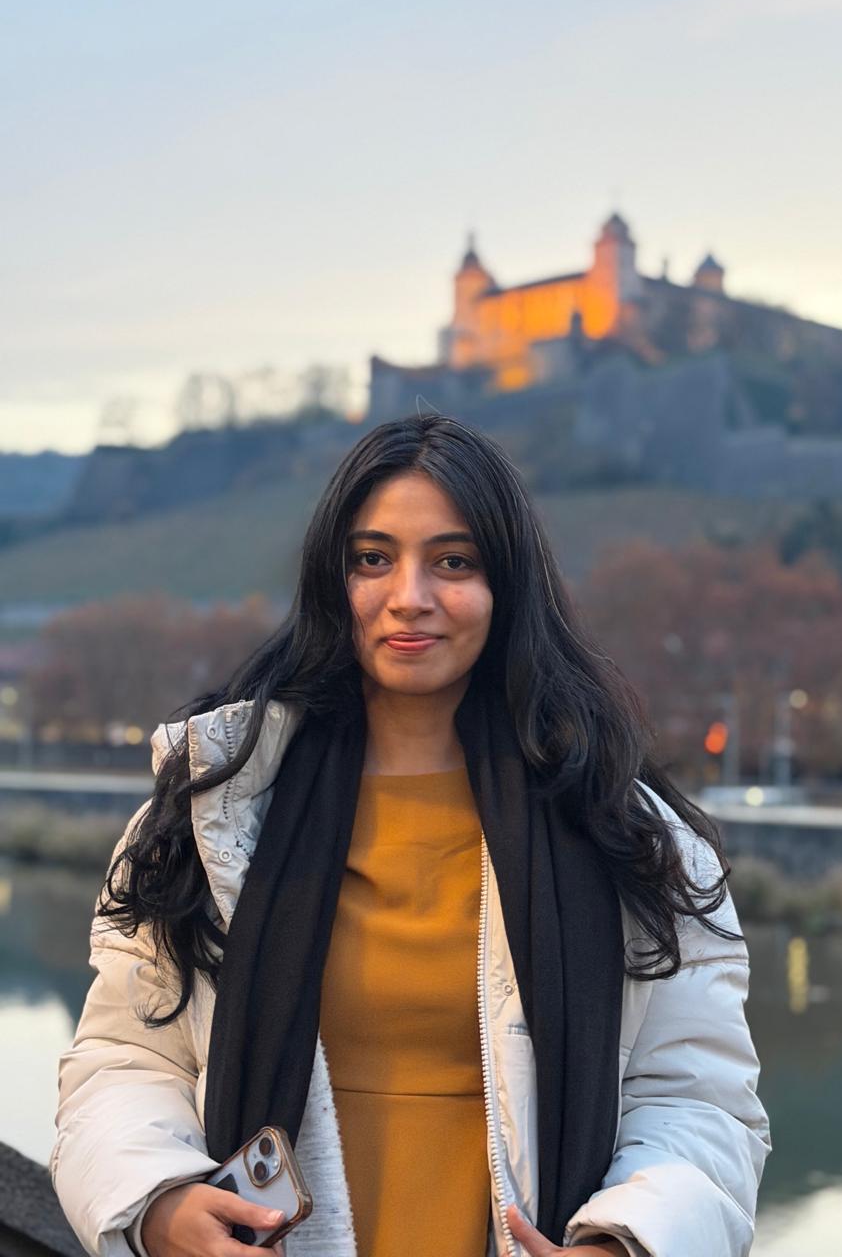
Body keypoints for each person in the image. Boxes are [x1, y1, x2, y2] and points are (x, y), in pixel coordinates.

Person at [52, 413, 771, 1257]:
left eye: (453, 562)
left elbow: (698, 1104)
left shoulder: (625, 832)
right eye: (373, 559)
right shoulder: (214, 816)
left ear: (508, 586)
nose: (410, 597)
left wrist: (629, 1239)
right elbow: (123, 1063)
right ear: (333, 578)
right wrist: (161, 1202)